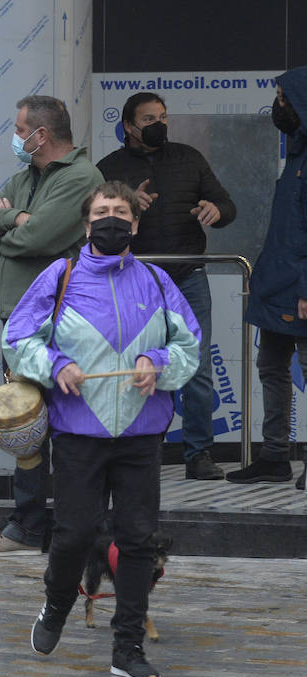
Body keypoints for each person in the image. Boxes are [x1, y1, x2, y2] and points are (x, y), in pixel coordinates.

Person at [5, 181, 199, 677]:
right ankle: (56, 605)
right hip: (77, 432)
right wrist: (56, 363)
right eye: (101, 212)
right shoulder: (60, 275)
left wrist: (157, 361)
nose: (111, 219)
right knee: (74, 536)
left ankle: (127, 648)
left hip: (141, 435)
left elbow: (190, 348)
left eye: (120, 212)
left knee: (137, 540)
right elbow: (18, 338)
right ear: (87, 224)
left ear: (134, 224)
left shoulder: (157, 282)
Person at [0, 95, 104, 556]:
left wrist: (12, 231)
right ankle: (25, 529)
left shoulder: (82, 178)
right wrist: (13, 216)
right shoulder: (26, 176)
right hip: (19, 323)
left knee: (68, 427)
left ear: (40, 135)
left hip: (61, 323)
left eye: (19, 128)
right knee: (22, 422)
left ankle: (72, 531)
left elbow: (32, 240)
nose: (16, 136)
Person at [97, 92, 236, 480]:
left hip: (188, 277)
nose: (159, 124)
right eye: (148, 119)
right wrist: (123, 207)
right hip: (135, 281)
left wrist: (217, 211)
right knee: (137, 366)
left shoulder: (189, 158)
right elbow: (92, 227)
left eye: (162, 117)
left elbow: (227, 205)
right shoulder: (108, 168)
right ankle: (141, 452)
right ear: (128, 126)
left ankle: (199, 454)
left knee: (197, 367)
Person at [236, 71, 307, 485]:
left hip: (298, 290)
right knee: (271, 367)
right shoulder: (297, 153)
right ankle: (275, 456)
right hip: (276, 286)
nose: (277, 106)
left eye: (282, 98)